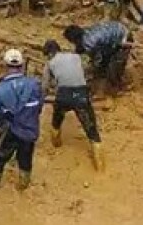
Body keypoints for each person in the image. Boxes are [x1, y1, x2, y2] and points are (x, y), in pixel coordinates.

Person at [0, 49, 45, 190]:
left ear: (5, 66)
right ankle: (22, 186)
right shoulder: (34, 84)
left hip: (8, 131)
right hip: (29, 130)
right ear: (21, 66)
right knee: (25, 159)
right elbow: (39, 105)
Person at [42, 39, 104, 171]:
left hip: (63, 95)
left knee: (56, 122)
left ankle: (56, 145)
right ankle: (101, 168)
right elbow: (85, 70)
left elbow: (45, 86)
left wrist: (43, 95)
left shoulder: (50, 63)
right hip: (81, 94)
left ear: (49, 54)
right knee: (92, 132)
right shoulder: (75, 57)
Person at [63, 21, 134, 89]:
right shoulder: (86, 33)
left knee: (114, 67)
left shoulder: (89, 42)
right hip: (116, 30)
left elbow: (98, 58)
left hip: (123, 37)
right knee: (104, 63)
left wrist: (95, 69)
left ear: (74, 39)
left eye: (71, 41)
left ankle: (119, 87)